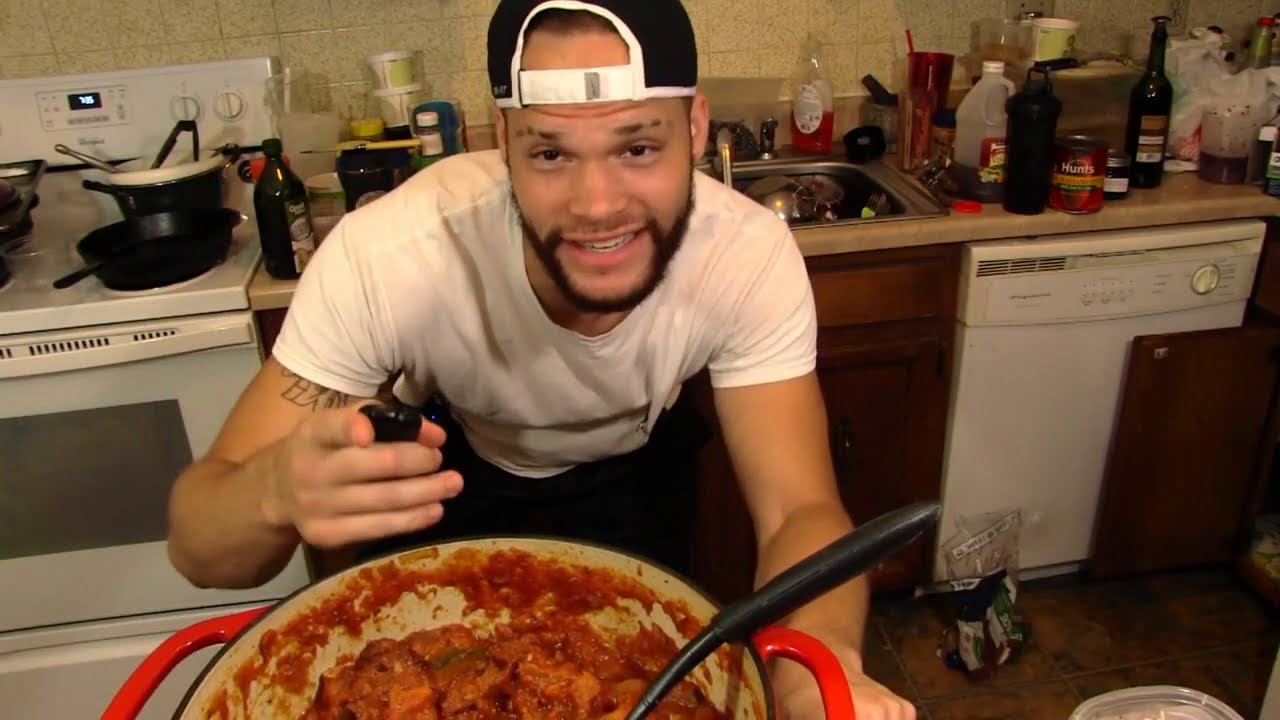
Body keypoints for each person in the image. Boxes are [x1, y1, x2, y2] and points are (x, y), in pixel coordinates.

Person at [165, 1, 915, 718]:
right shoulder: (389, 257)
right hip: (446, 487)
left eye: (638, 148)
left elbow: (797, 510)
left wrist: (817, 675)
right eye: (551, 153)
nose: (597, 205)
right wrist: (274, 490)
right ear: (503, 140)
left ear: (694, 126)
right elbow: (199, 547)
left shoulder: (744, 256)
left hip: (639, 484)